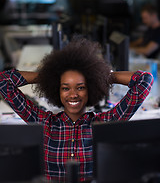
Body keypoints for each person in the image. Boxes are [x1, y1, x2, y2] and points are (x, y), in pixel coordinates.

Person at [0, 37, 153, 182]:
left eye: (80, 87)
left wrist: (104, 76)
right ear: (57, 90)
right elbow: (3, 82)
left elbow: (144, 81)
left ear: (91, 88)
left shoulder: (105, 124)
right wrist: (48, 76)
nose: (73, 95)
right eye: (65, 88)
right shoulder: (43, 122)